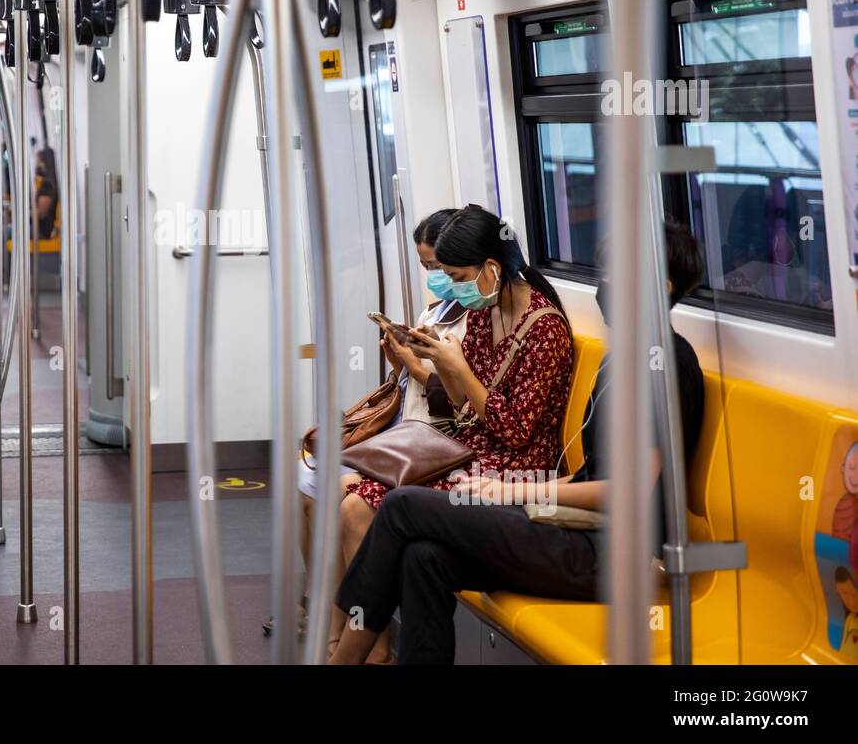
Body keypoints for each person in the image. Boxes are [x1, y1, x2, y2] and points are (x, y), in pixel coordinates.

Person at [329, 220, 707, 665]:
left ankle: (342, 661)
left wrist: (513, 491)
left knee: (402, 507)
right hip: (575, 529)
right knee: (422, 556)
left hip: (611, 554)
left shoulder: (661, 368)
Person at [288, 208, 467, 656]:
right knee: (305, 481)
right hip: (410, 422)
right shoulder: (437, 307)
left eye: (440, 268)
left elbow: (461, 403)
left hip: (437, 437)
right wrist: (401, 362)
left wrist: (415, 368)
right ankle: (327, 607)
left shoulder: (479, 320)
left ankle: (367, 638)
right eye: (428, 267)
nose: (435, 276)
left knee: (346, 496)